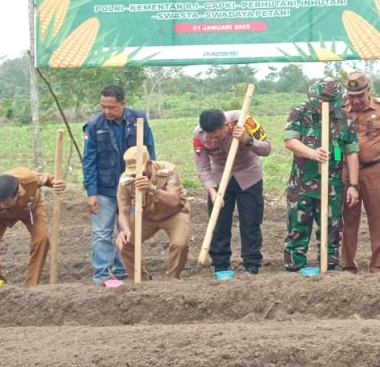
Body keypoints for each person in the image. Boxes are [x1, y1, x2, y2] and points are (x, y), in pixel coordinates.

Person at [282, 78, 360, 271]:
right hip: (302, 183)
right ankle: (294, 266)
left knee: (331, 228)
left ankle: (328, 266)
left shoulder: (344, 118)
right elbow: (290, 141)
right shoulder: (300, 112)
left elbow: (350, 152)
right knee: (298, 228)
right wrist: (312, 153)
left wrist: (353, 185)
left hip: (332, 183)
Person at [82, 84, 155, 283]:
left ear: (123, 104)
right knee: (102, 233)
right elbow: (89, 160)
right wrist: (91, 192)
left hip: (132, 187)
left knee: (128, 230)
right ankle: (102, 274)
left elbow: (150, 152)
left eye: (111, 107)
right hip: (105, 188)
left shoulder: (138, 121)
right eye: (103, 107)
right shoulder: (94, 126)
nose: (107, 111)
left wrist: (149, 178)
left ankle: (124, 270)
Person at [194, 108, 270, 274]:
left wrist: (247, 140)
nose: (214, 139)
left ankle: (252, 264)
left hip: (249, 175)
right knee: (219, 223)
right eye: (211, 136)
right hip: (220, 178)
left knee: (250, 221)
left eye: (218, 135)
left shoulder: (244, 121)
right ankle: (220, 265)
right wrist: (212, 191)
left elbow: (267, 149)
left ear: (226, 125)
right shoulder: (199, 135)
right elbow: (203, 168)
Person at [0, 167, 63, 286]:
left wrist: (55, 183)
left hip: (30, 208)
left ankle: (32, 286)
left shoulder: (29, 179)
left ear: (17, 194)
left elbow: (47, 178)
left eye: (6, 203)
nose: (2, 205)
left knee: (42, 238)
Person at [342, 72, 380, 273]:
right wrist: (338, 161)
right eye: (352, 96)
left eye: (360, 96)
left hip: (374, 171)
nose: (355, 101)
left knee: (378, 218)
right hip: (347, 173)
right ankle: (347, 265)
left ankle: (379, 265)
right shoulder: (341, 111)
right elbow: (338, 143)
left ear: (369, 91)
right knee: (348, 219)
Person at [117, 145, 190, 279]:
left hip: (174, 213)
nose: (137, 176)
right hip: (147, 216)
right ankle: (142, 279)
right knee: (123, 242)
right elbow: (123, 211)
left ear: (150, 164)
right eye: (133, 174)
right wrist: (125, 229)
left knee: (180, 244)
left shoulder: (168, 170)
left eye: (141, 172)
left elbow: (174, 200)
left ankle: (173, 279)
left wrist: (152, 188)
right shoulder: (125, 180)